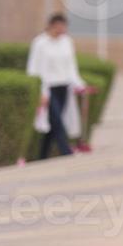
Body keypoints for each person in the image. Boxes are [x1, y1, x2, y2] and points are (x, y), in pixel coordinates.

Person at [26, 14, 88, 159]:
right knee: (57, 120)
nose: (63, 29)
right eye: (60, 26)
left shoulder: (67, 42)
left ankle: (42, 155)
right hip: (48, 88)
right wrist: (41, 92)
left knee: (53, 123)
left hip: (63, 87)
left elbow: (71, 67)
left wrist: (80, 84)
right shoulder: (40, 43)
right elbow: (33, 68)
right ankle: (66, 152)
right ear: (52, 25)